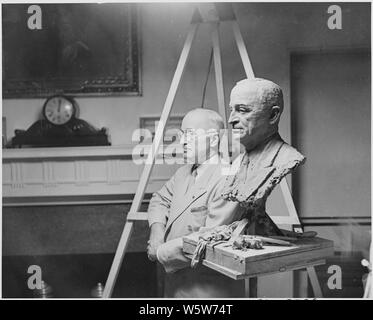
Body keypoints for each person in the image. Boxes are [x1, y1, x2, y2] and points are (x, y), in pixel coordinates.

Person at [147, 108, 245, 298]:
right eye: (182, 134)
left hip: (208, 292)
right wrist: (157, 231)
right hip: (175, 287)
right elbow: (159, 200)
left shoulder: (229, 178)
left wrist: (159, 252)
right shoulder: (183, 173)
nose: (182, 141)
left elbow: (210, 239)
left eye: (190, 135)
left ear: (214, 140)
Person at [221, 78, 306, 235]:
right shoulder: (238, 162)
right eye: (231, 110)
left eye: (243, 110)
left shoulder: (287, 158)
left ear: (273, 115)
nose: (231, 119)